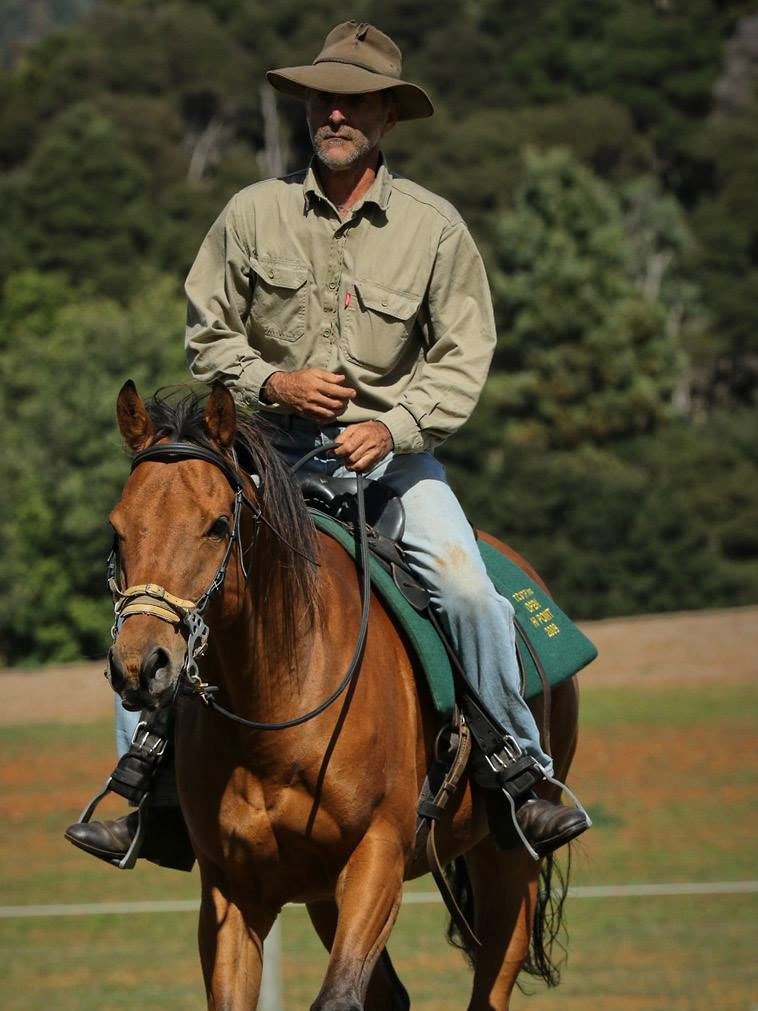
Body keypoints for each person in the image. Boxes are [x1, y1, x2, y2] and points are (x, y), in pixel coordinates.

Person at [65, 21, 589, 867]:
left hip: (392, 461)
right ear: (308, 110)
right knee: (159, 570)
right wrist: (274, 383)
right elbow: (206, 337)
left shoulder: (435, 229)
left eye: (355, 101)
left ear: (386, 117)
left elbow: (465, 356)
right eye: (323, 98)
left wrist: (394, 424)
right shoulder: (251, 213)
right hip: (259, 457)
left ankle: (519, 773)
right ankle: (143, 787)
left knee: (464, 587)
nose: (335, 113)